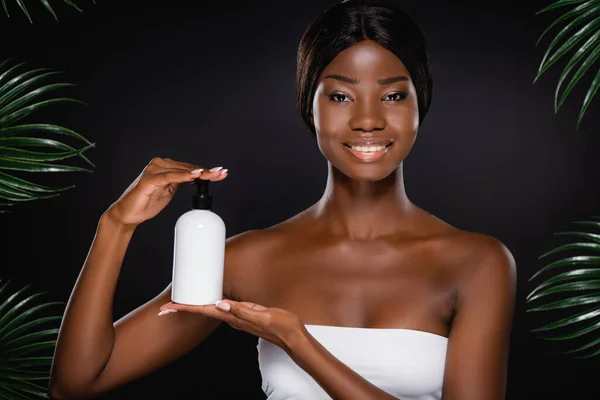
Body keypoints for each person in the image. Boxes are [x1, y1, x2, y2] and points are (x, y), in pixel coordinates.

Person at [48, 0, 516, 399]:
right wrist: (115, 226)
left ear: (421, 103)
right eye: (340, 96)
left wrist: (297, 342)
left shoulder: (477, 263)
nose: (369, 120)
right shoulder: (248, 259)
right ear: (307, 106)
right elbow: (77, 383)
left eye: (394, 95)